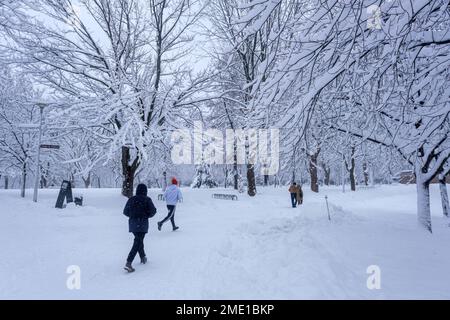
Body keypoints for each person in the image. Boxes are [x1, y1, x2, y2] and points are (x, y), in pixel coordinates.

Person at [123, 184, 157, 273]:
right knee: (138, 241)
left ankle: (143, 257)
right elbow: (153, 211)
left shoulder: (131, 199)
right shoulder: (147, 199)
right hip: (142, 224)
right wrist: (146, 215)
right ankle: (129, 262)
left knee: (139, 240)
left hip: (133, 224)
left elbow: (125, 212)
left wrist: (133, 215)